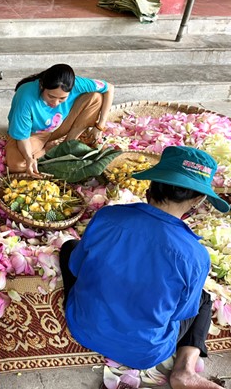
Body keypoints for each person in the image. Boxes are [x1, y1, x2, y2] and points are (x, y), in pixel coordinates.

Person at [60, 146, 229, 389]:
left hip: (84, 328)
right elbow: (181, 313)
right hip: (145, 351)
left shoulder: (108, 217)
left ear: (153, 183)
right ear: (198, 199)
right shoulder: (196, 256)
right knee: (202, 299)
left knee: (70, 248)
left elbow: (76, 267)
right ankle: (184, 370)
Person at [6, 64, 114, 177]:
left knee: (95, 97)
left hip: (59, 126)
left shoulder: (78, 84)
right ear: (42, 85)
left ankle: (67, 145)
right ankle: (47, 151)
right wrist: (29, 158)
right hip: (33, 135)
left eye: (62, 98)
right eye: (51, 96)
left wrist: (100, 126)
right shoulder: (26, 96)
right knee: (16, 165)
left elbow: (109, 88)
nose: (55, 103)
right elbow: (23, 137)